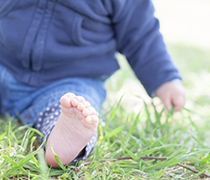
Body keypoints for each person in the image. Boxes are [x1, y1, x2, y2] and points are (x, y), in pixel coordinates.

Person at [0, 0, 185, 167]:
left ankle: (64, 138)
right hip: (5, 64)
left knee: (75, 107)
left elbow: (142, 34)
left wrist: (165, 80)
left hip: (68, 80)